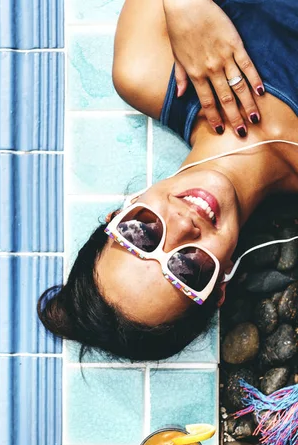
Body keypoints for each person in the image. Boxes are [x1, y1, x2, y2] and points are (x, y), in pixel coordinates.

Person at [38, 0, 298, 361]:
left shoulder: (143, 68)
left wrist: (184, 7)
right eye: (188, 268)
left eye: (141, 235)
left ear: (121, 214)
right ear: (220, 286)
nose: (181, 226)